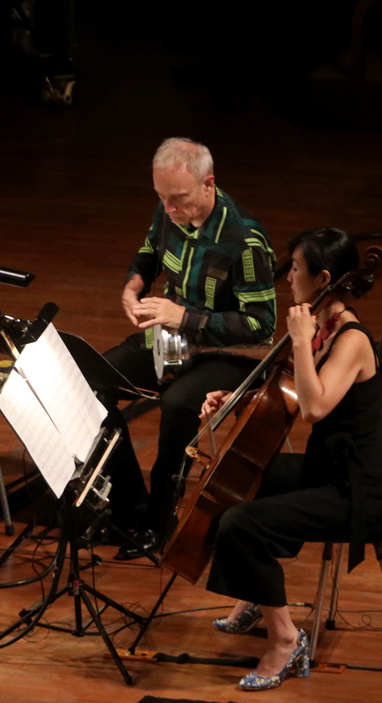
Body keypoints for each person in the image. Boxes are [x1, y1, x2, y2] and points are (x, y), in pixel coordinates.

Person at [204, 228, 382, 691]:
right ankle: (256, 595)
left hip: (354, 491)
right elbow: (289, 389)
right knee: (237, 485)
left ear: (324, 277)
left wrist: (300, 338)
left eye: (295, 268)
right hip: (323, 470)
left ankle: (286, 640)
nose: (288, 276)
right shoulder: (320, 328)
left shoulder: (351, 340)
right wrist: (236, 398)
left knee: (240, 525)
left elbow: (313, 407)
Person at [105, 138, 277, 559]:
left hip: (228, 354)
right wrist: (133, 285)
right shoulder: (171, 209)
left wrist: (184, 317)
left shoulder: (245, 241)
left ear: (208, 184)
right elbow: (148, 252)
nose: (169, 210)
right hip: (172, 340)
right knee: (92, 380)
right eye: (161, 198)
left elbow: (260, 325)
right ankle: (129, 506)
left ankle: (161, 522)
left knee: (179, 404)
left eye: (177, 199)